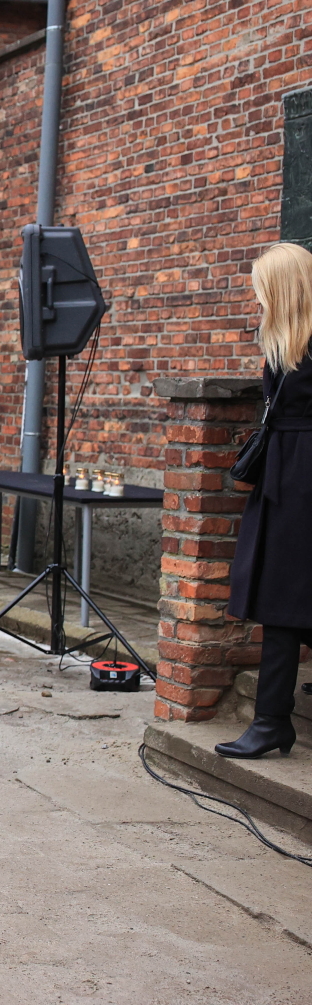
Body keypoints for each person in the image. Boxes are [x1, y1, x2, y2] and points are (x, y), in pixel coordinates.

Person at [222, 242, 312, 759]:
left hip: (299, 476)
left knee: (282, 597)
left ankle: (272, 721)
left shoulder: (298, 343)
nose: (257, 299)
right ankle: (272, 721)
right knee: (286, 596)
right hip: (287, 472)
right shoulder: (288, 341)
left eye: (262, 289)